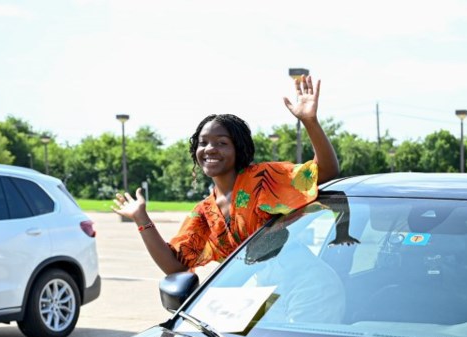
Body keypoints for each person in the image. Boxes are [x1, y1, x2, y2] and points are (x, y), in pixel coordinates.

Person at [112, 75, 339, 275]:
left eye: (221, 143)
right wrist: (141, 218)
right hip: (265, 292)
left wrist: (310, 122)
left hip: (305, 282)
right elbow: (175, 266)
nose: (210, 148)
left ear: (238, 148)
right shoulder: (204, 212)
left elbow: (326, 173)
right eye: (203, 143)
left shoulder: (262, 178)